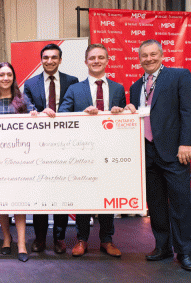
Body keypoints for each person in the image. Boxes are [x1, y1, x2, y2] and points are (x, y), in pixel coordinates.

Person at [129, 39, 191, 271]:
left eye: (152, 54)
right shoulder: (135, 87)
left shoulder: (179, 76)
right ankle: (163, 247)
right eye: (144, 56)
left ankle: (185, 252)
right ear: (139, 59)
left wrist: (186, 143)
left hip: (175, 153)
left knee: (180, 204)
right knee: (157, 205)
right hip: (147, 153)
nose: (148, 59)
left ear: (161, 55)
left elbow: (190, 111)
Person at [58, 43, 127, 258]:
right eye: (92, 58)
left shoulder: (117, 88)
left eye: (101, 57)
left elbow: (124, 120)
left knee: (107, 195)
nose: (96, 61)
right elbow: (62, 114)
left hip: (108, 151)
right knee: (83, 195)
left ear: (108, 60)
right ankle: (82, 239)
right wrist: (81, 112)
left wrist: (121, 112)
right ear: (86, 61)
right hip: (82, 152)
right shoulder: (74, 89)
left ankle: (107, 240)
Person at [23, 43, 79, 254]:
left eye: (54, 57)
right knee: (40, 193)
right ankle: (39, 238)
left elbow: (73, 109)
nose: (49, 61)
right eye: (45, 58)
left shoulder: (71, 81)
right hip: (39, 146)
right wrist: (38, 113)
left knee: (61, 193)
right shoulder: (30, 83)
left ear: (60, 60)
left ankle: (59, 238)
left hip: (65, 145)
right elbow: (28, 108)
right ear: (41, 60)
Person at [0, 62, 37, 262]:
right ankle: (6, 238)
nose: (5, 78)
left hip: (20, 160)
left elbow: (35, 119)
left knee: (19, 202)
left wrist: (35, 116)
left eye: (9, 75)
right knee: (2, 201)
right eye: (1, 74)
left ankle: (21, 243)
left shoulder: (23, 100)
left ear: (13, 78)